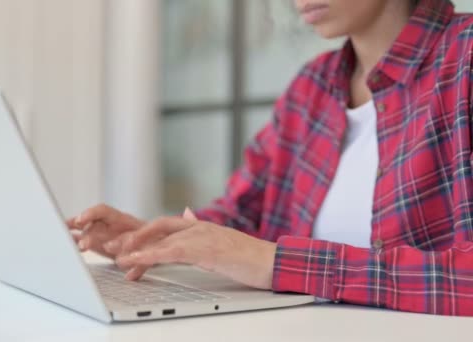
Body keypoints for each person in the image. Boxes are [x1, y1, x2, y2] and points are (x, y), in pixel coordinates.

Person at [68, 0, 473, 316]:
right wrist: (154, 241)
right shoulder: (311, 88)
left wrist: (275, 262)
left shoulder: (464, 58)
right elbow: (238, 219)